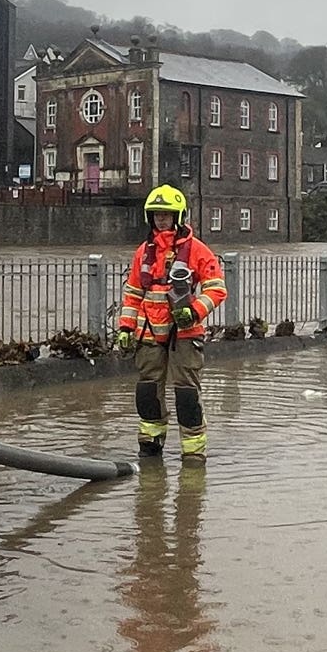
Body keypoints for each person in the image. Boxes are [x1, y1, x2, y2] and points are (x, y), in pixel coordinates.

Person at [118, 184, 227, 462]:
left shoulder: (197, 250)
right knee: (147, 390)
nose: (161, 220)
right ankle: (150, 447)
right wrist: (125, 328)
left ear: (178, 216)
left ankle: (193, 454)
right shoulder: (143, 251)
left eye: (166, 215)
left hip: (185, 332)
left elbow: (216, 288)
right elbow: (133, 293)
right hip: (149, 331)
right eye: (156, 215)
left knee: (186, 393)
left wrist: (194, 311)